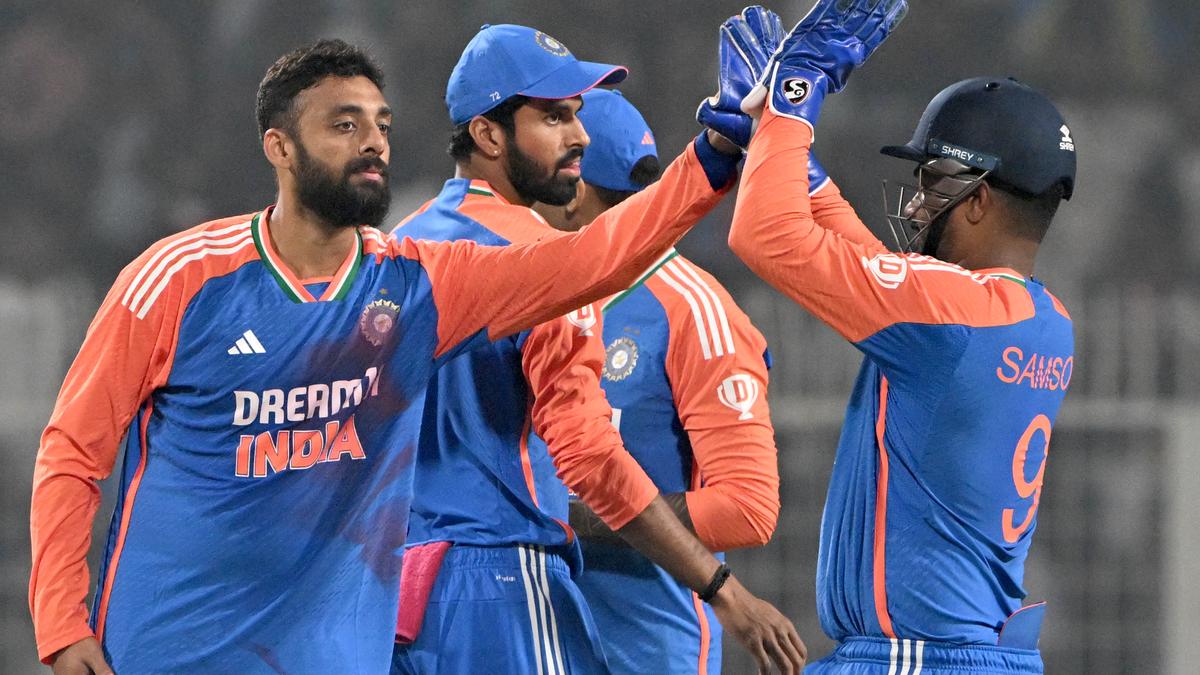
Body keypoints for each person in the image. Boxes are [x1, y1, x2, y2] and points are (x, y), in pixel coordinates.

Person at [29, 38, 757, 675]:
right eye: (344, 125)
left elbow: (589, 260)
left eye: (381, 125)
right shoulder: (178, 279)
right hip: (176, 647)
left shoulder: (417, 284)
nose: (373, 142)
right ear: (279, 147)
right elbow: (72, 451)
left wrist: (713, 159)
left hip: (334, 654)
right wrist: (62, 624)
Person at [389, 25, 802, 675]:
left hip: (401, 596)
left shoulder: (400, 248)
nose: (578, 136)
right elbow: (589, 457)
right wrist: (721, 587)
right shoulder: (542, 263)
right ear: (489, 135)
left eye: (576, 117)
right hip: (506, 584)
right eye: (555, 118)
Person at [702, 2, 1076, 673]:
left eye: (931, 181)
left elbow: (766, 235)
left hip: (913, 657)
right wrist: (774, 134)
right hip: (972, 656)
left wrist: (798, 85)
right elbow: (862, 262)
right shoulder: (1041, 319)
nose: (914, 203)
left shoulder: (950, 314)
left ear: (979, 201)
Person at [533, 88, 781, 675]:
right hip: (530, 640)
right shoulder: (537, 294)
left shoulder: (692, 309)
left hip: (642, 654)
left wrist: (554, 519)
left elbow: (748, 509)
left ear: (575, 190)